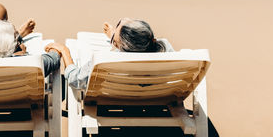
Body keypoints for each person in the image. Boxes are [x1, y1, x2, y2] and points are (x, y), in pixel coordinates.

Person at [45, 18, 175, 90]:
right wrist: (115, 36)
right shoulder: (166, 49)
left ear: (121, 49)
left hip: (117, 104)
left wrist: (64, 51)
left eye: (114, 42)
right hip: (157, 100)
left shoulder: (108, 59)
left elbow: (75, 79)